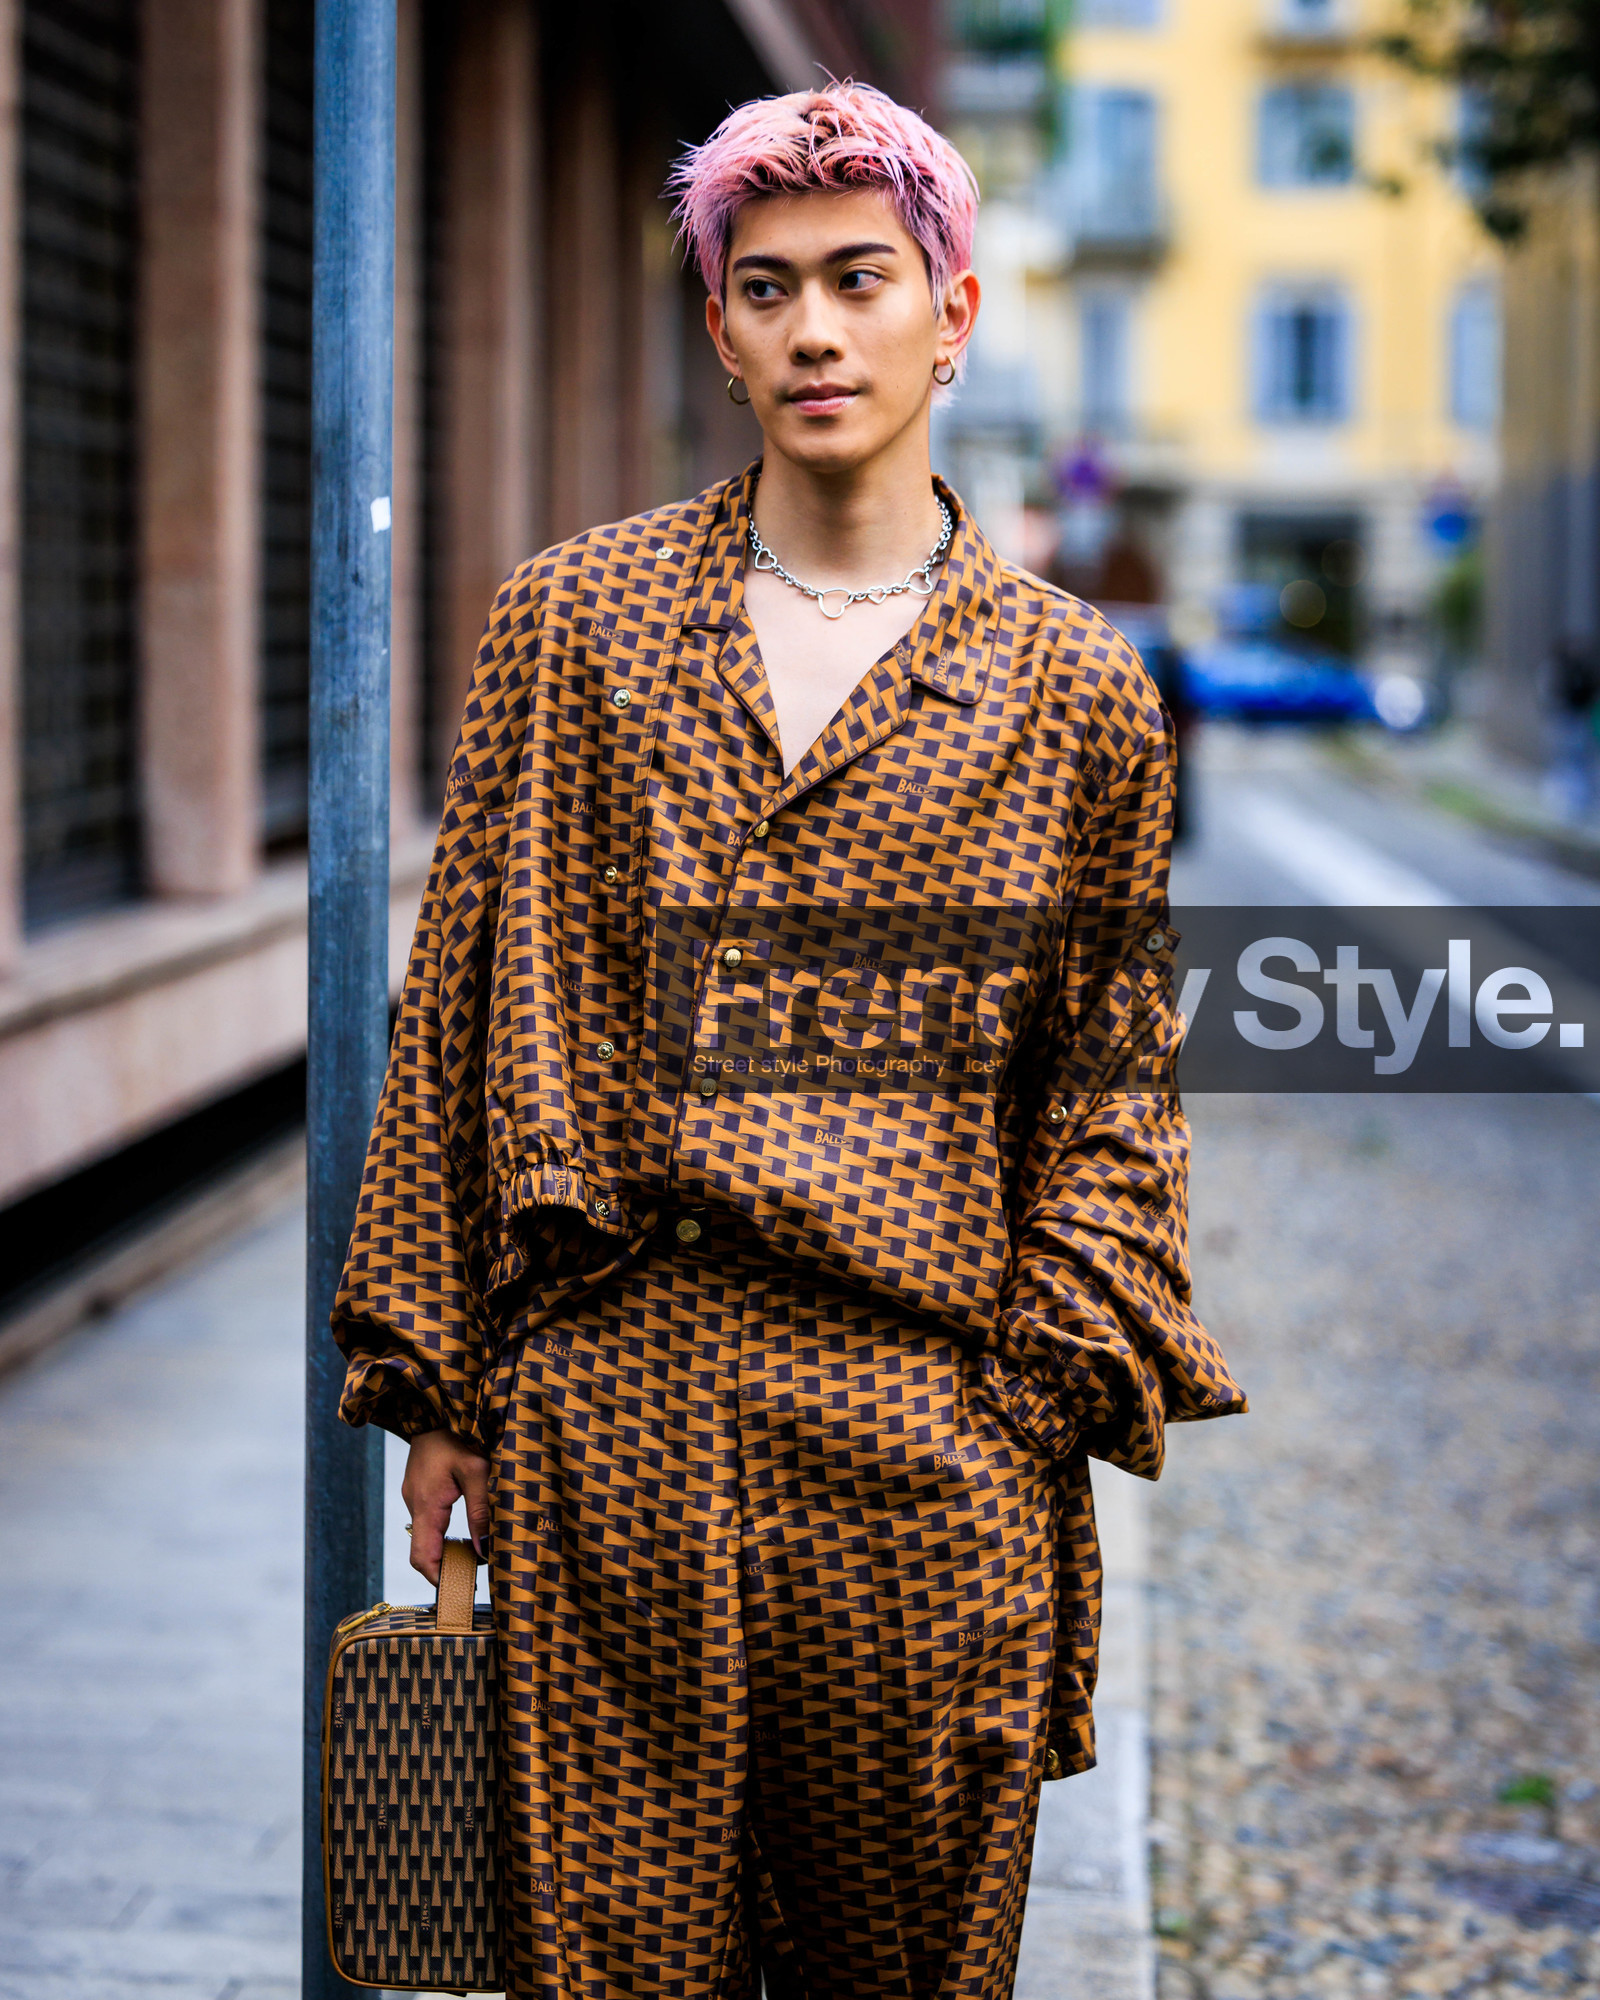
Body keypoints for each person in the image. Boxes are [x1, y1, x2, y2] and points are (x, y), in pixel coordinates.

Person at [331, 81, 1245, 2000]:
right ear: (722, 327)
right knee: (609, 1962)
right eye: (766, 289)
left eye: (862, 279)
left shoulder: (1078, 688)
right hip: (614, 1409)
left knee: (903, 1966)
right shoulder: (574, 623)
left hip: (925, 1432)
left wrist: (1028, 1386)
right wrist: (434, 1377)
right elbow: (459, 1007)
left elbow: (1111, 1082)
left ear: (955, 310)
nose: (816, 329)